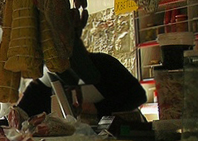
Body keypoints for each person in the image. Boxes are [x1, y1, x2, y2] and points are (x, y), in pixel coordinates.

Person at [16, 39, 147, 121]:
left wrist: (98, 108)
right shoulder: (45, 80)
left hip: (119, 140)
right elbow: (22, 112)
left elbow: (138, 96)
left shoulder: (104, 65)